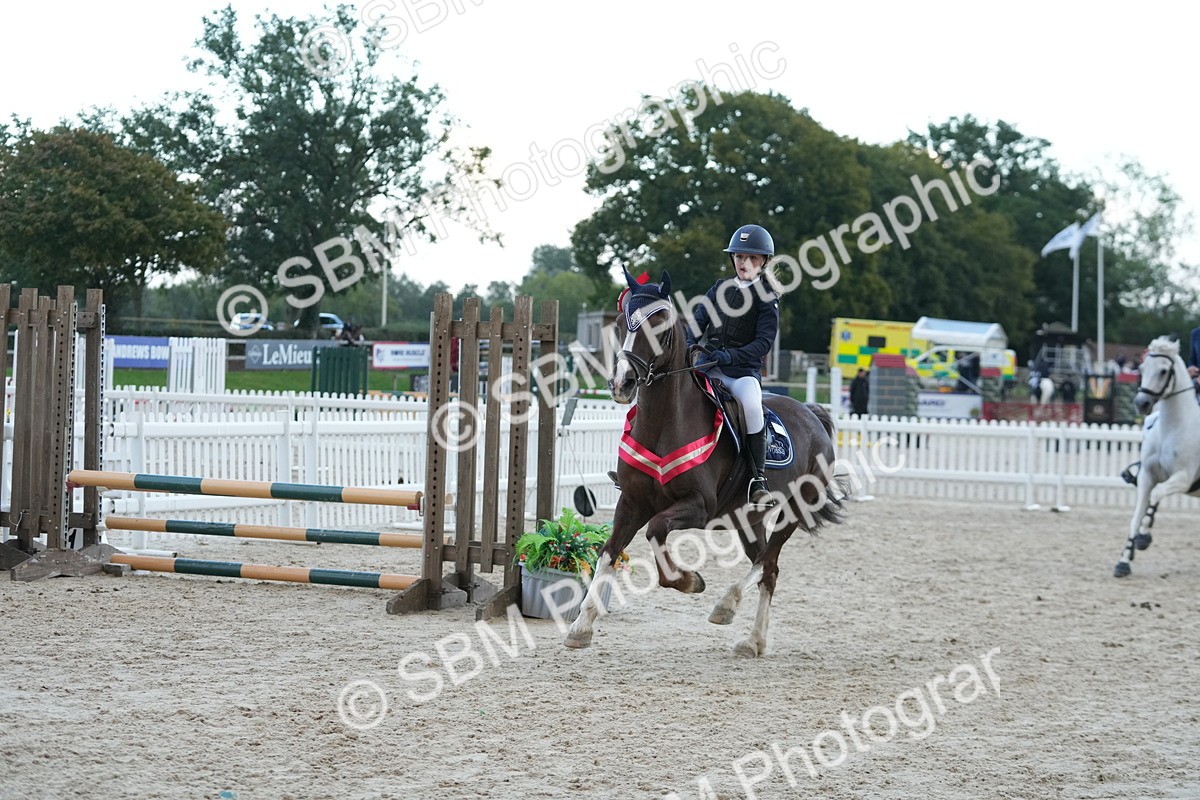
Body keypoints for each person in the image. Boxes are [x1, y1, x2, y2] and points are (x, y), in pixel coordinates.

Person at [686, 223, 781, 508]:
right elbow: (697, 323)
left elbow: (763, 343)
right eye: (739, 257)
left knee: (752, 408)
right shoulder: (719, 288)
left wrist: (732, 356)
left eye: (751, 258)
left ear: (763, 261)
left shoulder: (767, 298)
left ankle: (758, 480)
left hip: (742, 373)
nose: (744, 263)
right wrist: (688, 345)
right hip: (708, 365)